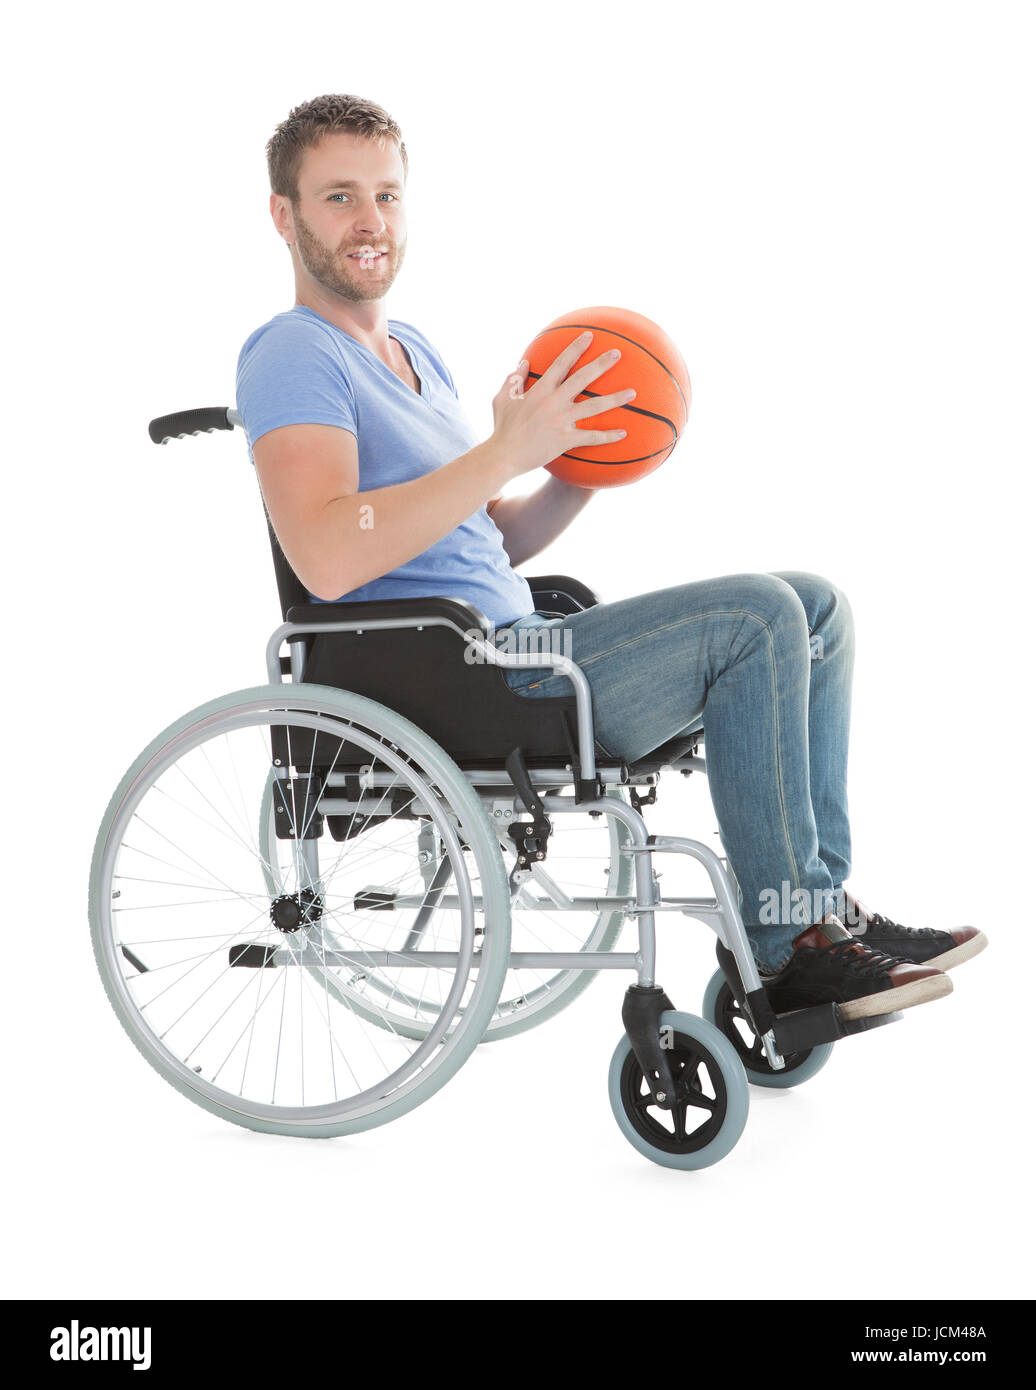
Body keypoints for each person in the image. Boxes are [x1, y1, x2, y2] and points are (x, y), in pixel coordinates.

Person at [235, 93, 986, 1021]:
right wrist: (501, 452)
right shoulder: (292, 354)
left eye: (387, 196)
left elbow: (478, 543)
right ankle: (786, 952)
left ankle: (818, 911)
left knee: (816, 605)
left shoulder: (412, 350)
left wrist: (574, 471)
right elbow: (326, 557)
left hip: (514, 640)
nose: (371, 222)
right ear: (285, 215)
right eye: (340, 197)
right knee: (756, 613)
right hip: (461, 678)